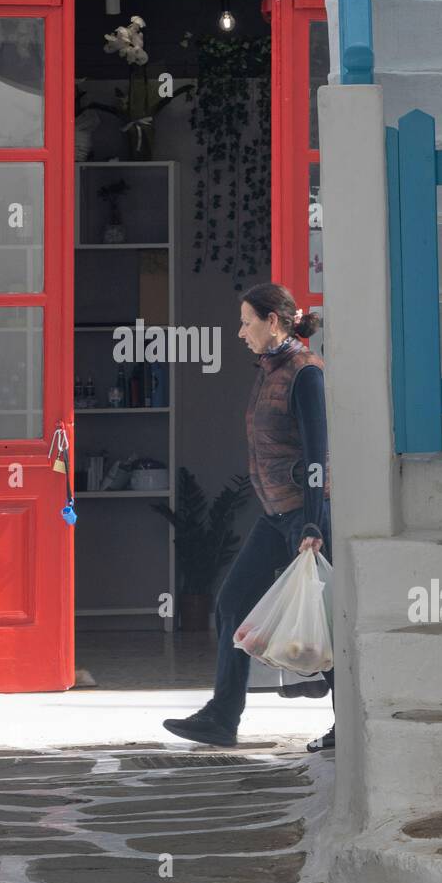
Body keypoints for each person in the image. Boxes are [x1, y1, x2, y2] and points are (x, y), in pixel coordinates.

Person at [164, 283, 335, 752]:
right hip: (275, 514)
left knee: (329, 620)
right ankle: (222, 717)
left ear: (273, 321)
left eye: (246, 321)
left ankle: (346, 727)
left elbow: (319, 454)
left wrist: (314, 523)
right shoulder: (269, 370)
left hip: (306, 518)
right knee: (233, 604)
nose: (240, 332)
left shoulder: (305, 374)